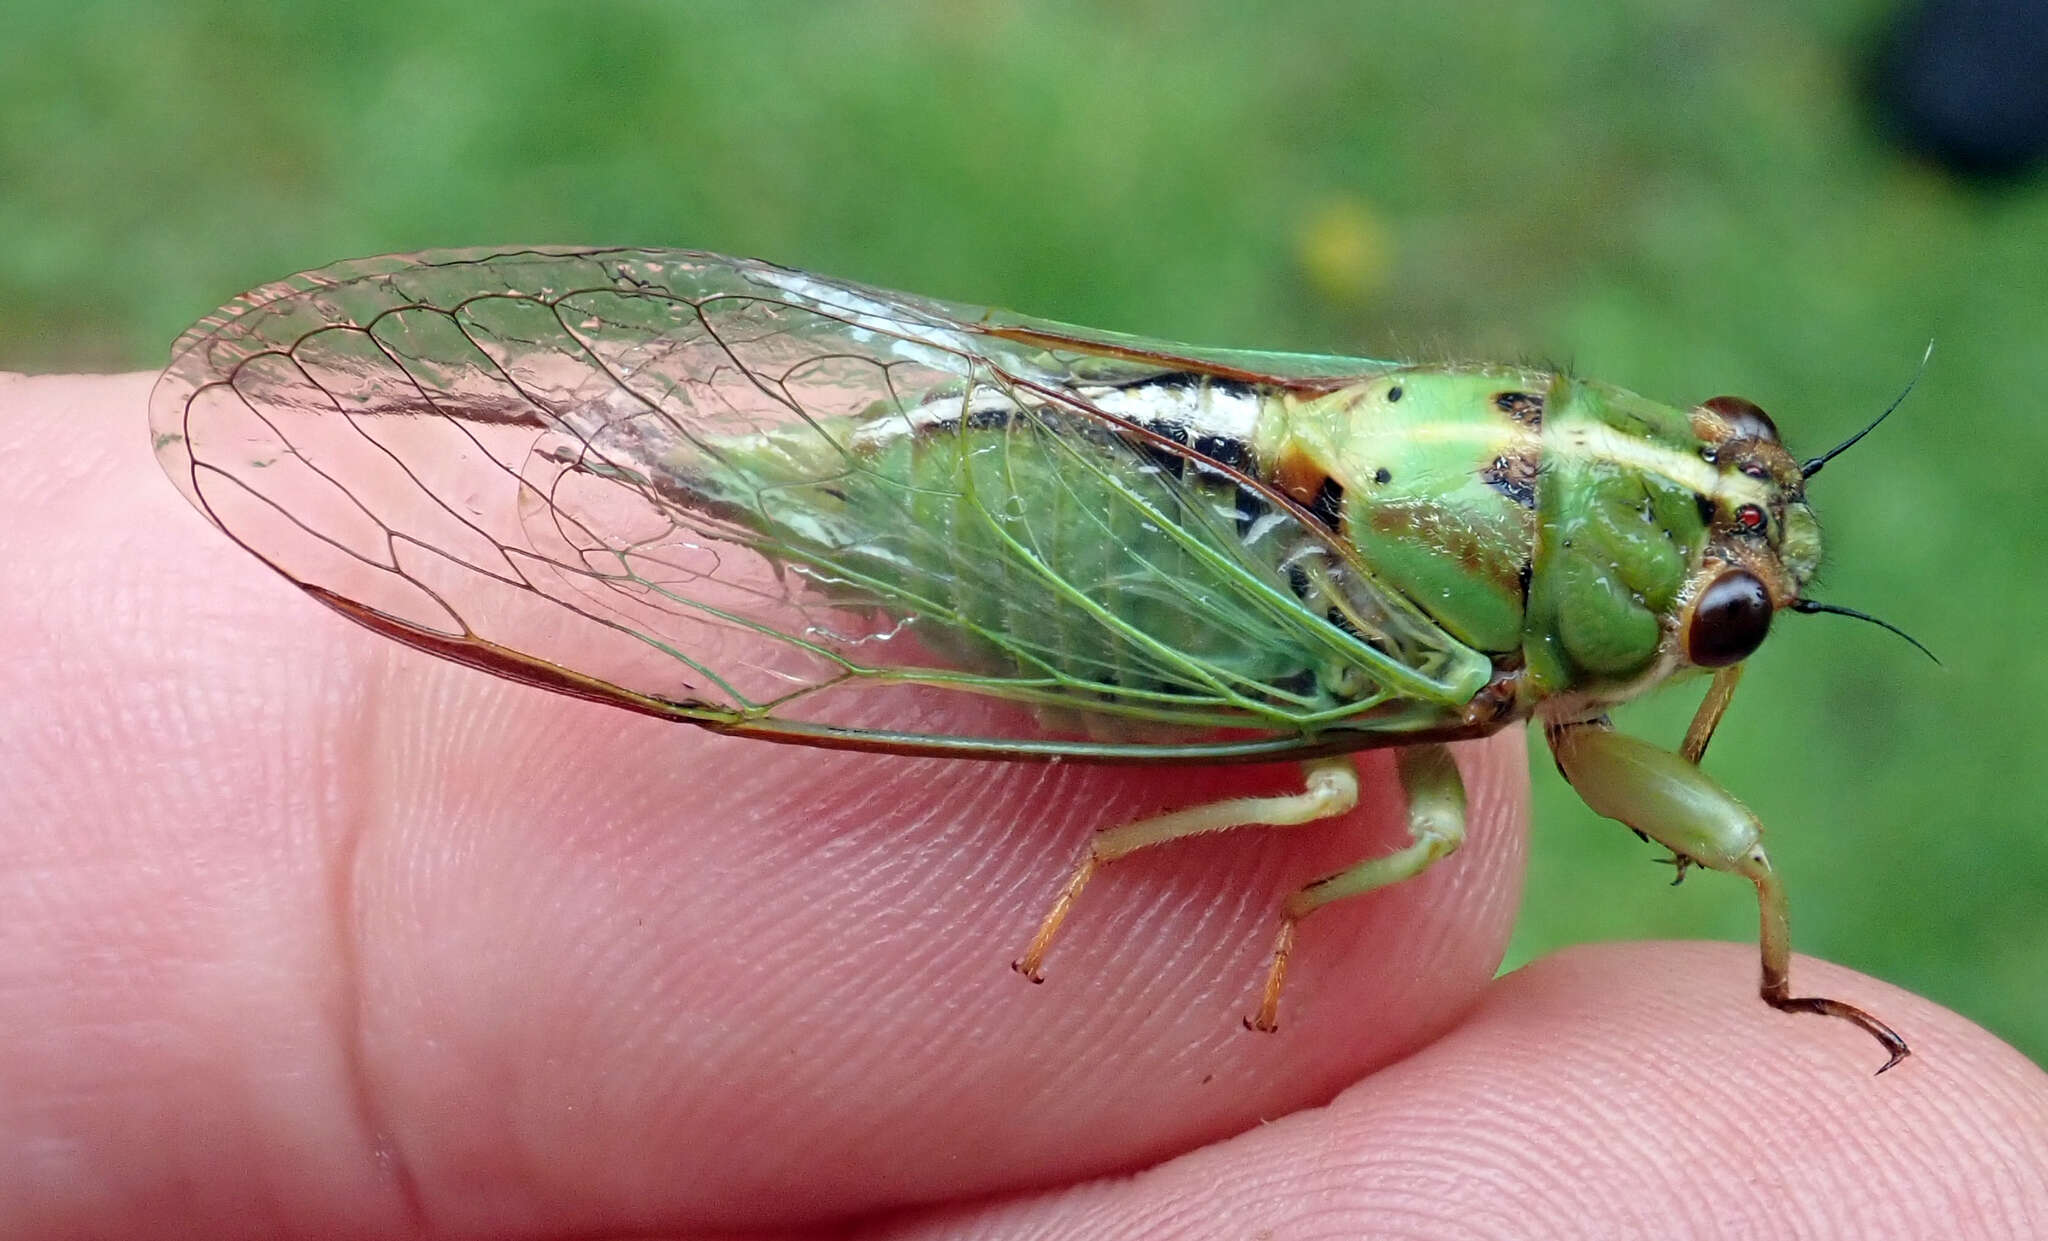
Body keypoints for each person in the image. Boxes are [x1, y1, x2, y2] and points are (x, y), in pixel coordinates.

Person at [5, 371, 2044, 1239]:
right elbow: (1361, 813)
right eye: (1719, 598)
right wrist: (1130, 851)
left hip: (1136, 437)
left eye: (1727, 598)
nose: (1720, 613)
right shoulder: (1486, 686)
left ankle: (716, 444)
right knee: (1388, 826)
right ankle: (724, 481)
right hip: (1090, 573)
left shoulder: (1506, 458)